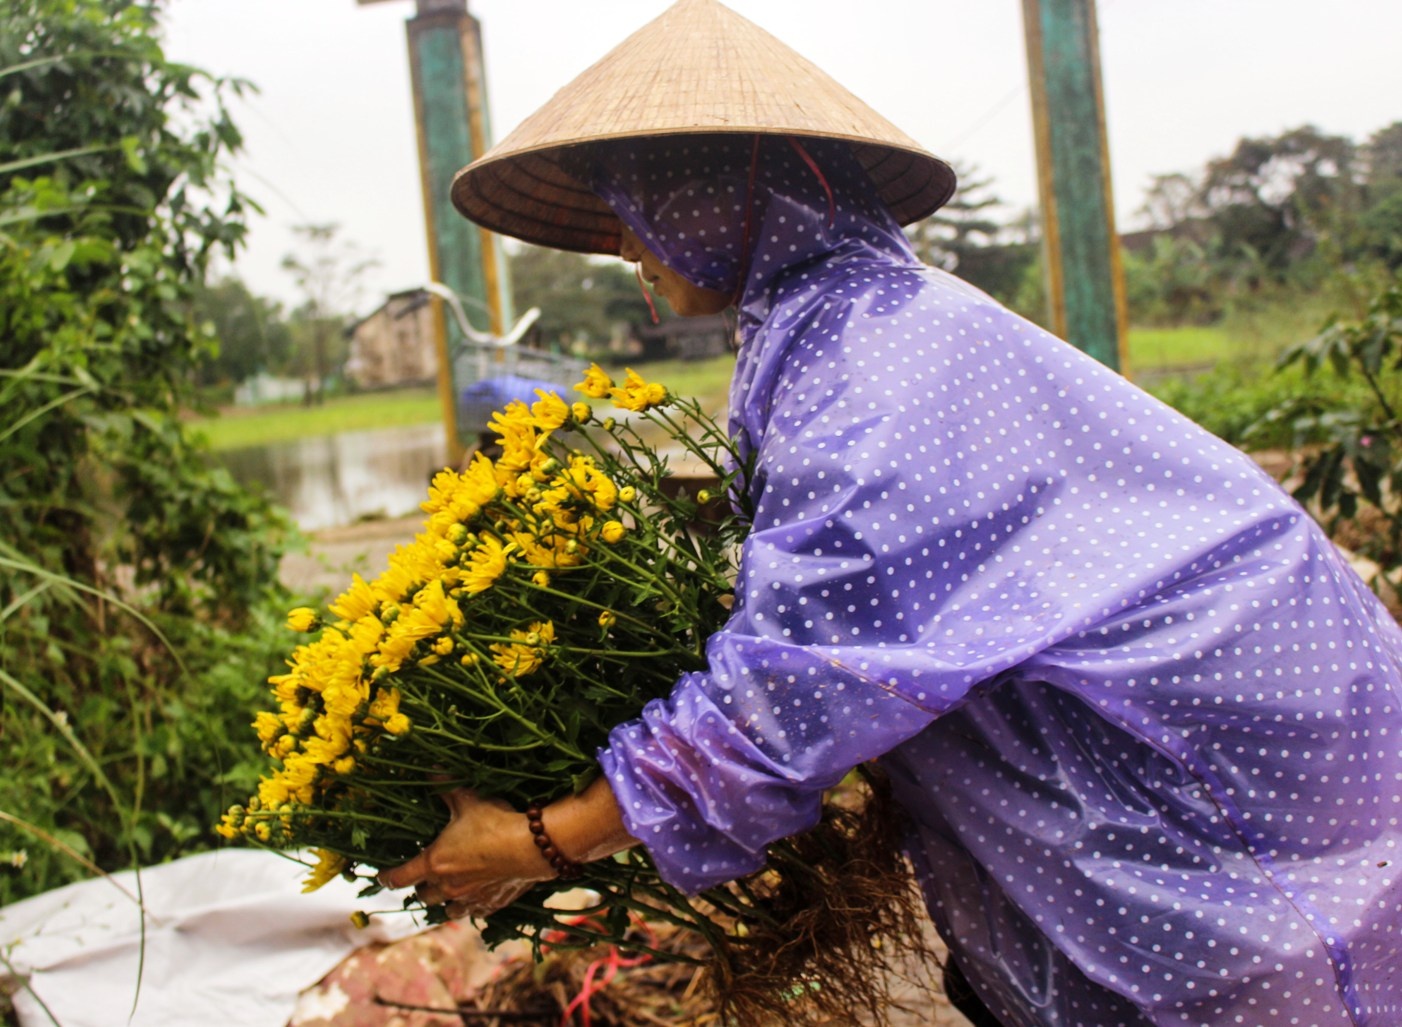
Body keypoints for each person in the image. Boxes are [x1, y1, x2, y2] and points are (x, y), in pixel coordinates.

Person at [381, 1, 1402, 1023]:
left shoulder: (869, 356)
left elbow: (793, 682)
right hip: (1212, 753)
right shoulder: (835, 324)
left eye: (643, 199)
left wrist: (539, 841)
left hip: (1231, 800)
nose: (623, 243)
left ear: (726, 194)